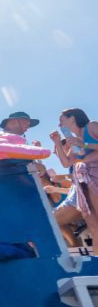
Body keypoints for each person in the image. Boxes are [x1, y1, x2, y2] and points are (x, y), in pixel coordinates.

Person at [51, 108, 98, 253]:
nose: (59, 124)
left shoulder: (92, 126)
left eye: (62, 120)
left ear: (72, 118)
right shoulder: (74, 141)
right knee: (92, 222)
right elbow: (66, 163)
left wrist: (83, 144)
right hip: (85, 182)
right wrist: (57, 142)